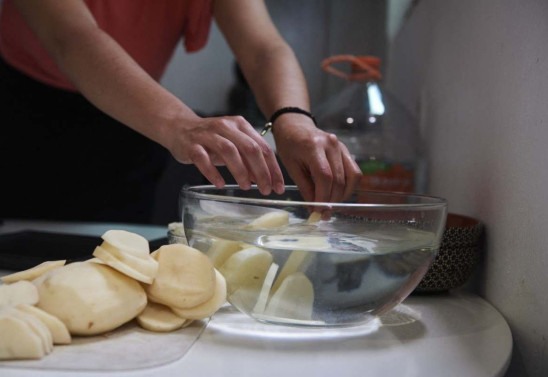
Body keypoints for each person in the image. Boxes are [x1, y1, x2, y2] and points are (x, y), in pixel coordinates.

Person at [0, 0, 362, 224]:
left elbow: (263, 49)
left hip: (133, 121)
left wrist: (294, 122)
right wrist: (180, 123)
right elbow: (72, 38)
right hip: (23, 121)